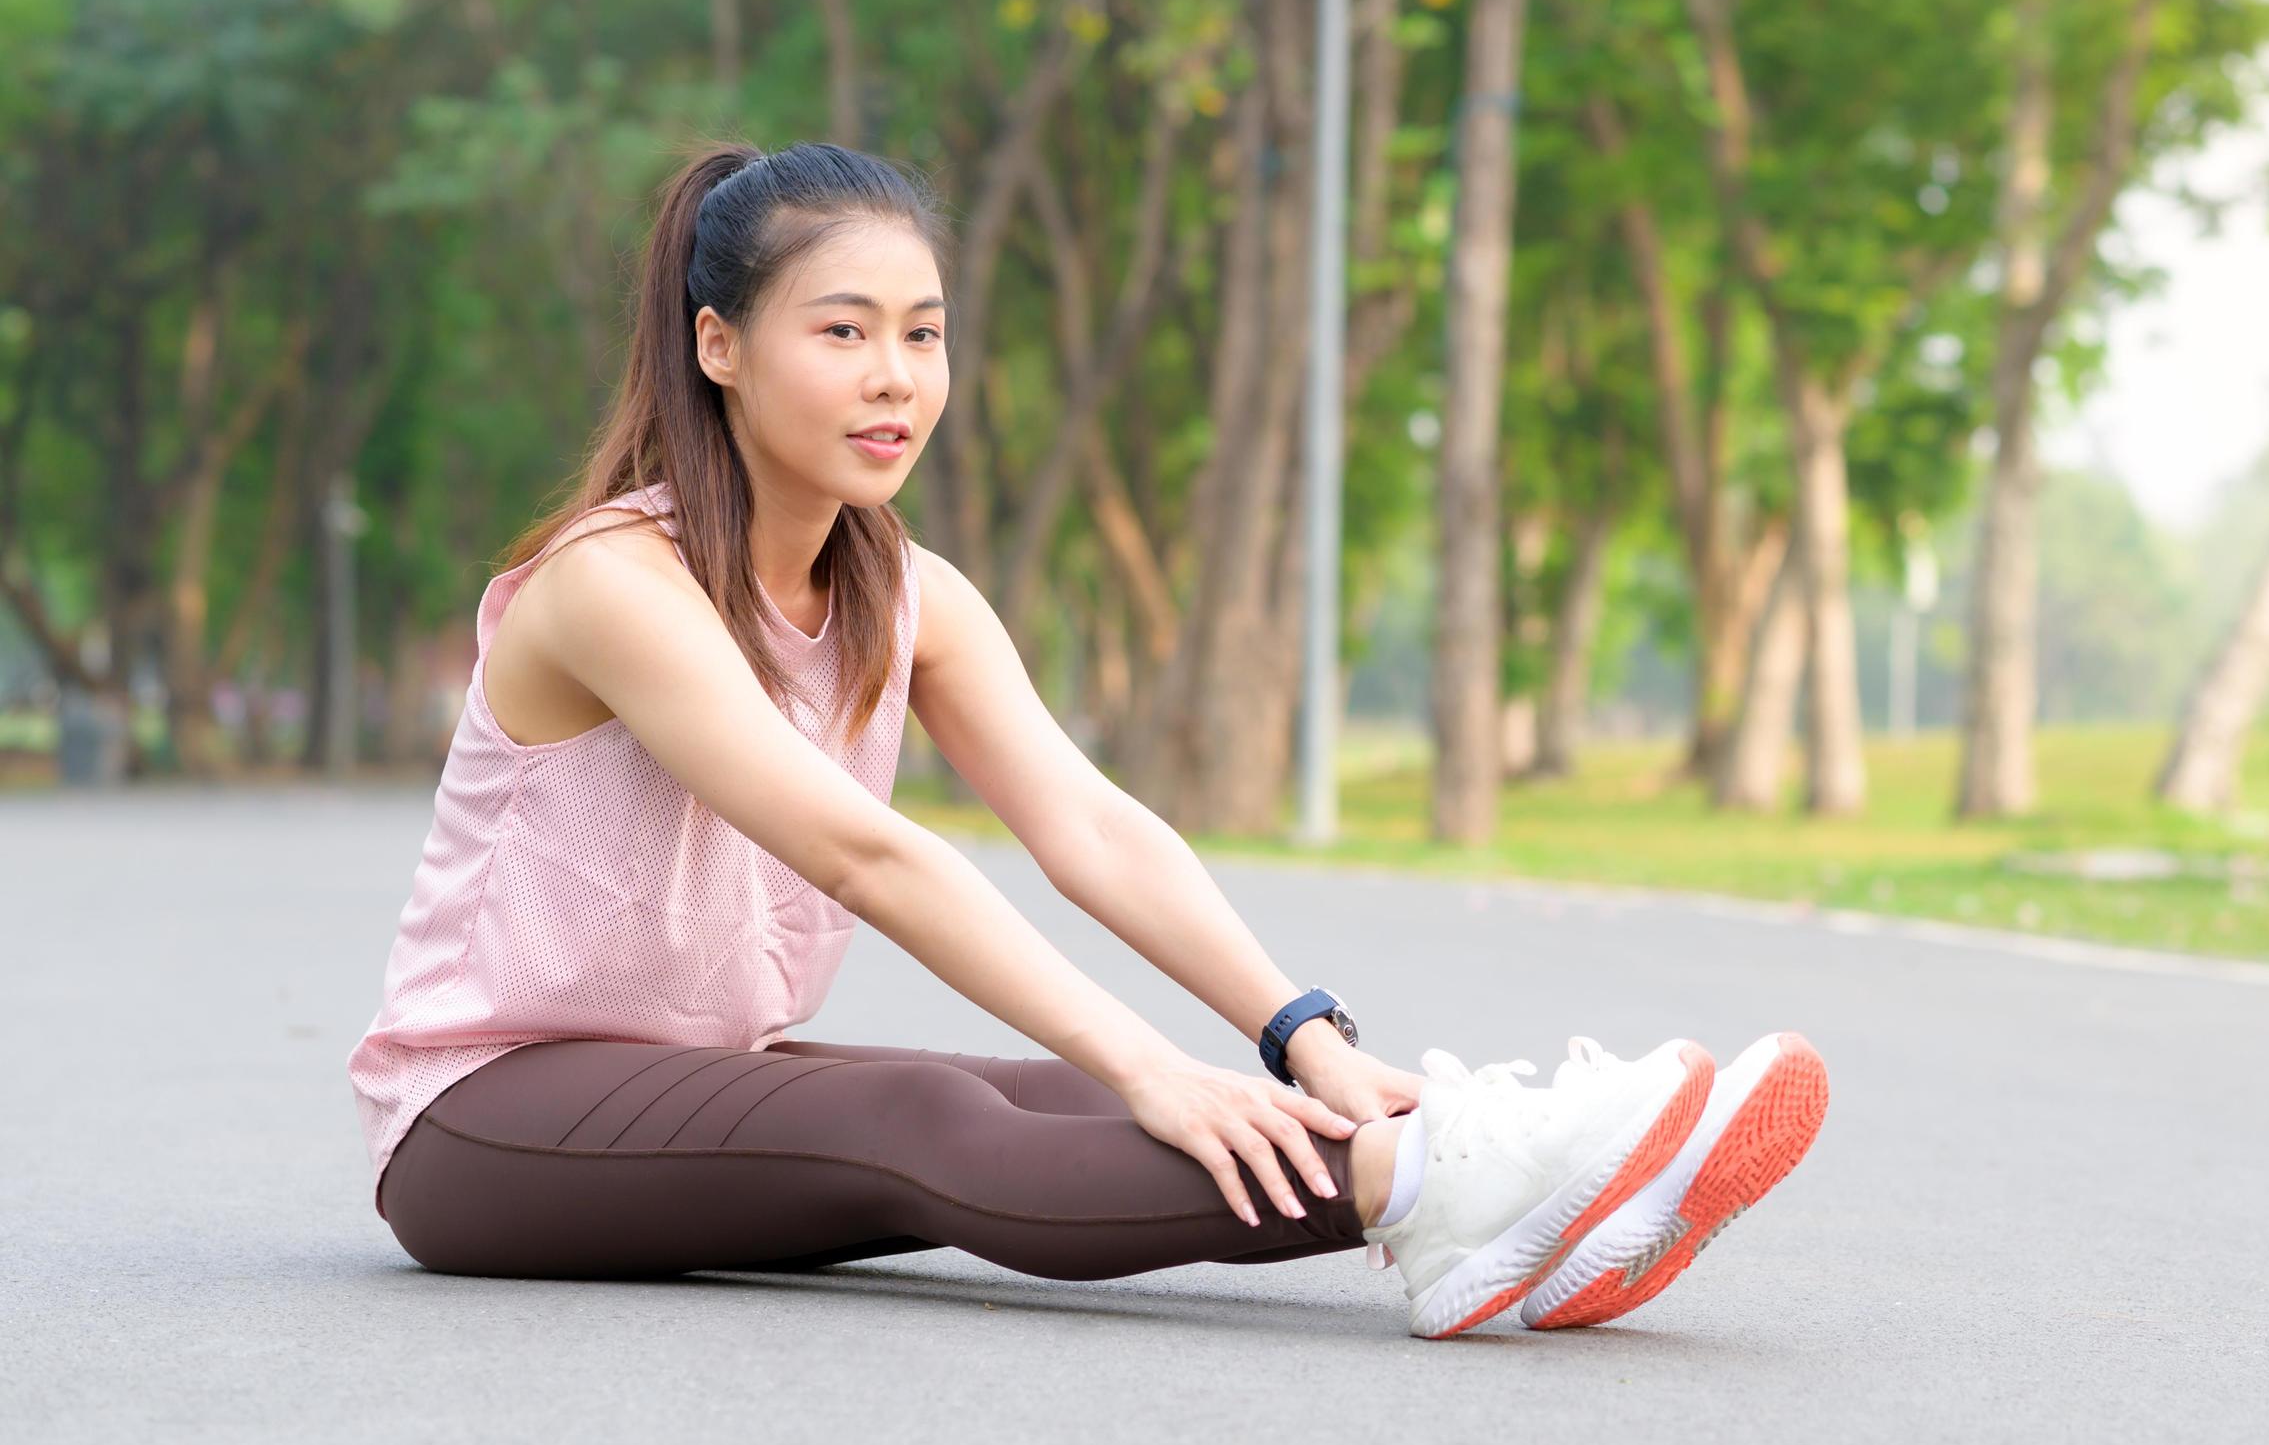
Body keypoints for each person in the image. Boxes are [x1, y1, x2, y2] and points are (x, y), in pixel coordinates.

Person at [347, 141, 1826, 1338]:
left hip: (696, 1071)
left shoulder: (909, 594)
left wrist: (1297, 1036)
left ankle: (1483, 1183)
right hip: (487, 1122)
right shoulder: (616, 582)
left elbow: (1092, 826)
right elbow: (859, 852)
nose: (895, 378)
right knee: (927, 1106)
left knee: (1038, 1092)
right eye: (843, 332)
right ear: (719, 346)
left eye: (922, 334)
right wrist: (1145, 1062)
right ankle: (1453, 1186)